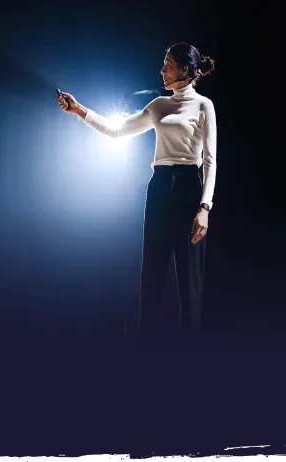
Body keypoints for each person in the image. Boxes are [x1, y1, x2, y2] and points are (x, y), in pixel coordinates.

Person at [58, 42, 217, 348]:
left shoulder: (203, 106)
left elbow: (210, 159)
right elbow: (118, 131)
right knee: (152, 276)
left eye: (168, 65)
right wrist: (79, 110)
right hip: (159, 188)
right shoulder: (159, 105)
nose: (162, 69)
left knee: (190, 284)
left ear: (184, 71)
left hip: (188, 188)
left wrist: (204, 207)